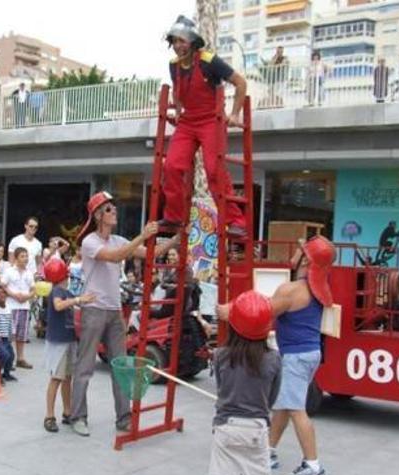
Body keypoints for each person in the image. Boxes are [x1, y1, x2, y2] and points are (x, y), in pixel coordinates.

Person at [69, 191, 178, 436]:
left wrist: (177, 239)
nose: (114, 211)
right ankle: (78, 415)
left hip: (114, 310)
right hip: (94, 310)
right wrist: (143, 235)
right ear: (98, 215)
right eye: (109, 209)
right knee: (85, 367)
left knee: (120, 367)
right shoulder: (90, 242)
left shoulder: (118, 239)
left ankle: (123, 417)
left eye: (114, 208)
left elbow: (153, 253)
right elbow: (116, 257)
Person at [160, 15, 247, 237]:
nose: (178, 46)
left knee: (214, 170)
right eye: (175, 41)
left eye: (182, 41)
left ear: (192, 41)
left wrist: (235, 113)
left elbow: (240, 82)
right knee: (171, 166)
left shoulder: (209, 60)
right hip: (188, 123)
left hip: (211, 121)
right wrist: (179, 112)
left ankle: (236, 220)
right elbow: (179, 90)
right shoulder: (174, 65)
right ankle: (174, 217)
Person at [264, 236, 334, 475]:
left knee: (295, 409)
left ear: (306, 260)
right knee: (284, 404)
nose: (294, 256)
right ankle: (268, 451)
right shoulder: (320, 286)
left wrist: (230, 309)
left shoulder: (292, 290)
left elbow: (263, 310)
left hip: (295, 357)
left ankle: (313, 466)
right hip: (310, 352)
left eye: (300, 252)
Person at [210, 290, 281, 475]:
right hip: (256, 427)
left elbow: (221, 389)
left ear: (233, 325)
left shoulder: (220, 355)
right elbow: (272, 397)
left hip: (225, 426)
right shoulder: (274, 358)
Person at [43, 258, 94, 433]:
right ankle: (49, 416)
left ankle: (67, 411)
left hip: (69, 339)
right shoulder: (57, 291)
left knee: (67, 379)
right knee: (57, 379)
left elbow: (76, 306)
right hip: (58, 342)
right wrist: (79, 299)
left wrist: (83, 300)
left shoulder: (67, 291)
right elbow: (58, 306)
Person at [1, 246, 36, 369]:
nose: (25, 259)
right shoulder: (9, 271)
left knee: (22, 334)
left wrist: (27, 297)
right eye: (22, 256)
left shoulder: (29, 273)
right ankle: (8, 358)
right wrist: (14, 295)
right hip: (11, 305)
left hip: (24, 306)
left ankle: (20, 358)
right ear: (16, 258)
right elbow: (3, 286)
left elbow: (33, 289)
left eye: (26, 256)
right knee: (10, 333)